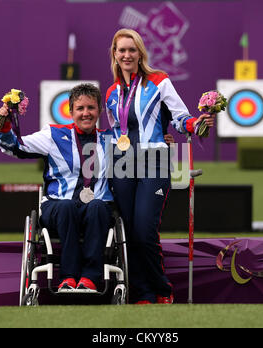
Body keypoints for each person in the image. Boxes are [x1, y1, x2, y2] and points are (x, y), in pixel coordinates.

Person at [106, 28, 215, 304]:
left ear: (140, 52)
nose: (127, 55)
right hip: (122, 164)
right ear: (115, 55)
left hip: (154, 161)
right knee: (128, 232)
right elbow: (114, 131)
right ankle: (142, 293)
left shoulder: (159, 81)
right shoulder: (111, 93)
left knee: (144, 230)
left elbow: (180, 117)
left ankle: (162, 289)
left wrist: (196, 124)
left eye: (132, 49)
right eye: (122, 50)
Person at [0, 83, 113, 293]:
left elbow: (142, 155)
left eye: (91, 108)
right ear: (71, 111)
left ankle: (90, 278)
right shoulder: (53, 135)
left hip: (95, 209)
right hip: (58, 208)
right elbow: (16, 147)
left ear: (100, 111)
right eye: (80, 108)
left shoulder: (111, 140)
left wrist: (166, 144)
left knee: (98, 207)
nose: (86, 113)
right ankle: (68, 277)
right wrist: (4, 127)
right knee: (66, 207)